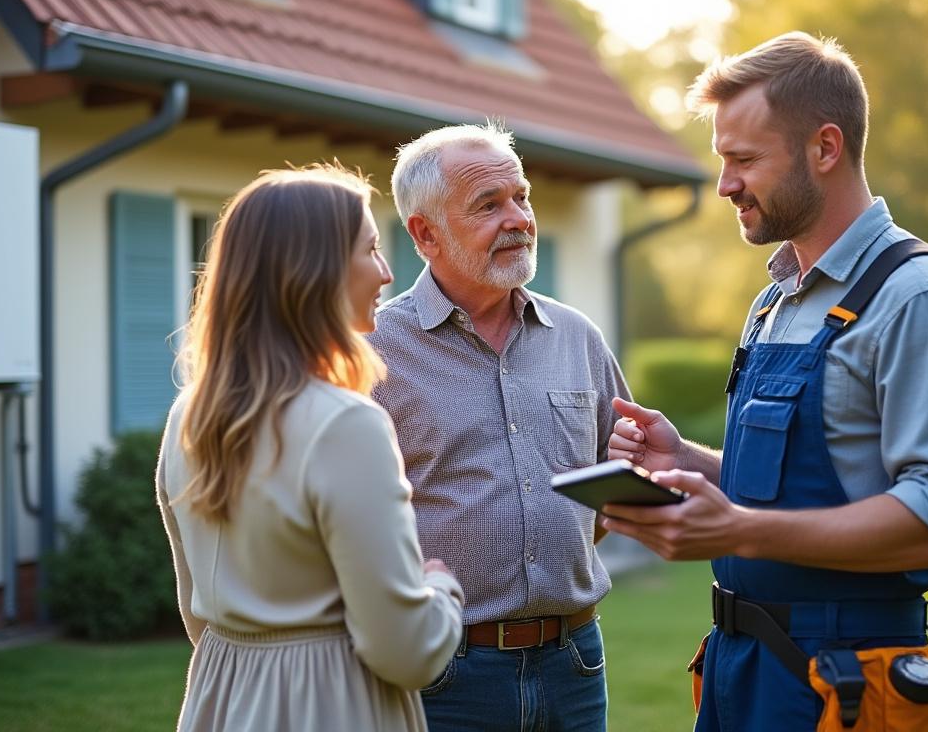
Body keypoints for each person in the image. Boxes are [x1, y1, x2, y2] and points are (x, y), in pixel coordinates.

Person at [602, 32, 928, 731]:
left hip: (847, 685)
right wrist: (688, 461)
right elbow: (813, 480)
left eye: (744, 160)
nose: (725, 183)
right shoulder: (777, 299)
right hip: (743, 672)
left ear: (825, 148)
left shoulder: (919, 298)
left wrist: (741, 529)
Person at [156, 164, 464, 732]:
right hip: (331, 705)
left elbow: (199, 611)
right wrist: (440, 587)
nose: (387, 273)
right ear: (313, 271)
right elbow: (407, 651)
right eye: (370, 249)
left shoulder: (187, 417)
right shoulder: (347, 425)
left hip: (221, 700)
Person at [369, 123, 630, 732]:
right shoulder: (373, 351)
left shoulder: (576, 338)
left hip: (575, 663)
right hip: (444, 672)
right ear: (425, 234)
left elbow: (614, 485)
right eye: (489, 205)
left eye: (522, 197)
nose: (518, 218)